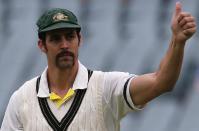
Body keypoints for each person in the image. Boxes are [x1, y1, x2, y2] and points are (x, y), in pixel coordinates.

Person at [0, 2, 196, 131]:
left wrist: (177, 42)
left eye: (70, 37)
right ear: (42, 45)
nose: (65, 45)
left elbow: (161, 82)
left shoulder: (105, 87)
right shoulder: (22, 99)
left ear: (80, 39)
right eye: (56, 39)